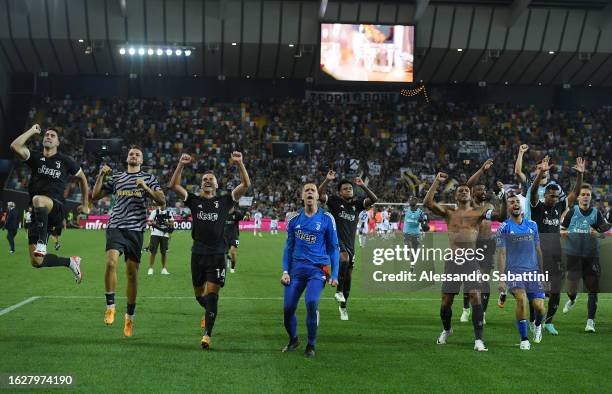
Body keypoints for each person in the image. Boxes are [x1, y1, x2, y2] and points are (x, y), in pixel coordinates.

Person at [170, 152, 250, 349]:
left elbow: (245, 185)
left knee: (212, 296)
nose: (206, 181)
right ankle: (208, 313)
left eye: (210, 179)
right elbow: (173, 186)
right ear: (201, 184)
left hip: (217, 255)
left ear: (216, 185)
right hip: (197, 254)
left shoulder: (225, 201)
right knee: (200, 296)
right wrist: (180, 165)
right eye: (204, 179)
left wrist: (240, 163)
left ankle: (207, 334)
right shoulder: (194, 200)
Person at [424, 172, 506, 352]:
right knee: (446, 302)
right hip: (453, 261)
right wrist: (437, 181)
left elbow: (501, 216)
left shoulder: (479, 213)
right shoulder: (449, 212)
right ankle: (447, 329)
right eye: (460, 190)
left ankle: (478, 340)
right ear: (455, 195)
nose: (463, 192)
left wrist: (504, 195)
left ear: (470, 195)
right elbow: (427, 204)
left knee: (475, 295)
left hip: (470, 260)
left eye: (466, 190)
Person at [92, 146, 165, 337]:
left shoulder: (149, 178)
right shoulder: (117, 177)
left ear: (141, 160)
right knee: (110, 262)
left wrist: (145, 188)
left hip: (136, 230)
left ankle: (129, 318)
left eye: (137, 154)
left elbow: (162, 201)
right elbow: (94, 196)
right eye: (131, 154)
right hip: (116, 225)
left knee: (132, 273)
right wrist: (101, 175)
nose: (133, 156)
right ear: (127, 158)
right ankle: (110, 306)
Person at [10, 124, 88, 283]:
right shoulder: (35, 157)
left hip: (56, 206)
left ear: (58, 143)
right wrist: (32, 130)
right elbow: (15, 146)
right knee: (36, 261)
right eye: (47, 135)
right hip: (37, 213)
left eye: (53, 136)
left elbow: (83, 179)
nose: (49, 137)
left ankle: (42, 243)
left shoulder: (65, 161)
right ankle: (70, 262)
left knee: (38, 199)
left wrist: (85, 203)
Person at [281, 182, 339, 357]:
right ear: (302, 196)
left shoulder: (327, 218)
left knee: (311, 302)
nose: (309, 193)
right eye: (306, 190)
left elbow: (334, 248)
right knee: (288, 309)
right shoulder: (293, 219)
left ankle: (311, 345)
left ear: (317, 196)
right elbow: (288, 248)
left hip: (317, 270)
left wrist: (334, 274)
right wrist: (285, 271)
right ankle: (293, 339)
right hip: (296, 271)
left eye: (312, 190)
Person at [530, 156, 583, 335]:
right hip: (537, 255)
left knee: (555, 289)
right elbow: (534, 190)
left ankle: (549, 322)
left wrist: (580, 176)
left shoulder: (559, 207)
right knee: (536, 291)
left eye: (555, 196)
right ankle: (532, 320)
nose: (553, 198)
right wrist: (541, 173)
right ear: (545, 195)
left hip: (554, 255)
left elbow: (575, 194)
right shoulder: (537, 207)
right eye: (550, 195)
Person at [318, 170, 378, 321]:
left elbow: (374, 199)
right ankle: (338, 289)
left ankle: (343, 307)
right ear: (340, 192)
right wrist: (326, 180)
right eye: (344, 189)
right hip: (336, 240)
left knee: (349, 277)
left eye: (350, 188)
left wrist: (363, 186)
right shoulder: (334, 201)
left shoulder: (357, 205)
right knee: (343, 259)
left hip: (351, 243)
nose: (348, 190)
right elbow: (319, 195)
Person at [496, 193, 546, 350]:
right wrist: (502, 278)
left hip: (533, 271)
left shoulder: (532, 225)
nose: (515, 204)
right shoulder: (504, 227)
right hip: (514, 272)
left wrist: (542, 273)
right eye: (511, 202)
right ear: (508, 208)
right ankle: (524, 339)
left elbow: (538, 249)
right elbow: (501, 253)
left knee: (539, 307)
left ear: (521, 205)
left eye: (517, 201)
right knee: (521, 299)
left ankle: (537, 324)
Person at [561, 184, 611, 332]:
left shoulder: (596, 213)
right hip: (573, 255)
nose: (585, 197)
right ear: (578, 197)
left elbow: (603, 233)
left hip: (591, 256)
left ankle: (590, 322)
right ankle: (572, 299)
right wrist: (562, 233)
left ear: (590, 197)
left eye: (588, 194)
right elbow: (562, 228)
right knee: (571, 289)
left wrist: (597, 234)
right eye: (583, 194)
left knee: (593, 289)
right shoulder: (572, 212)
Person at [460, 159, 497, 324]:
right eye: (479, 189)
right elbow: (468, 184)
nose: (483, 190)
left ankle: (482, 313)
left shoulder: (490, 205)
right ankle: (466, 309)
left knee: (484, 281)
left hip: (487, 244)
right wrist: (482, 169)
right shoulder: (472, 205)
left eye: (484, 188)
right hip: (472, 245)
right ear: (473, 193)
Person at [514, 144, 565, 219]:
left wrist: (560, 219)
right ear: (536, 171)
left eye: (545, 167)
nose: (543, 169)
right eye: (539, 168)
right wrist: (521, 152)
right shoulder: (530, 184)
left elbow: (566, 206)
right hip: (531, 226)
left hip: (547, 226)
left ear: (548, 170)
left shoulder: (555, 187)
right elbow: (518, 172)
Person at [147, 204, 174, 275]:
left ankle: (164, 269)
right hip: (155, 233)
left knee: (164, 252)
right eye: (161, 204)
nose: (163, 205)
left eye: (164, 204)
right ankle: (151, 268)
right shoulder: (154, 212)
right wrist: (154, 223)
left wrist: (166, 223)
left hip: (165, 234)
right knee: (153, 251)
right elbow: (149, 222)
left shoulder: (169, 212)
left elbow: (172, 223)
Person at [403, 196, 427, 273]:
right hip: (407, 232)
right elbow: (401, 216)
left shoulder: (420, 212)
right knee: (408, 244)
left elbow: (424, 220)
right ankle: (407, 249)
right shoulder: (406, 210)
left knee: (414, 251)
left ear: (416, 202)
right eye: (410, 200)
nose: (410, 201)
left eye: (412, 200)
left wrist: (423, 222)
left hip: (416, 233)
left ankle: (412, 265)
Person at [224, 206, 244, 274]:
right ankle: (228, 258)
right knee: (225, 253)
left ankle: (233, 267)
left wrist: (247, 216)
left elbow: (245, 218)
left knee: (233, 252)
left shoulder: (237, 214)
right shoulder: (223, 213)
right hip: (224, 237)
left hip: (234, 236)